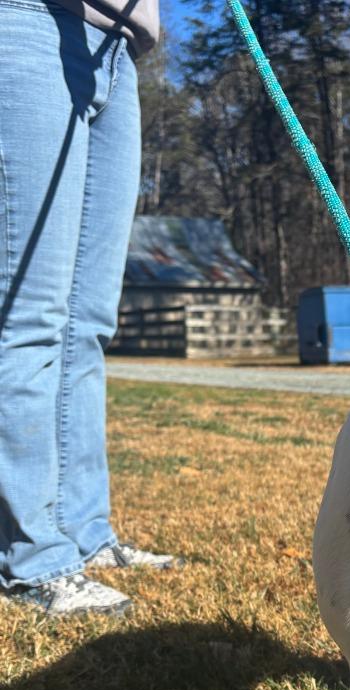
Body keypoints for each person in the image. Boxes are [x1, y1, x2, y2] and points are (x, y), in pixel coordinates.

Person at [0, 0, 175, 618]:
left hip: (120, 51)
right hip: (28, 20)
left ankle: (85, 530)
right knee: (31, 317)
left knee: (88, 325)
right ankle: (31, 556)